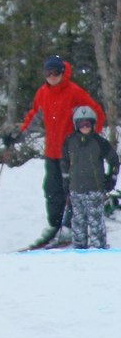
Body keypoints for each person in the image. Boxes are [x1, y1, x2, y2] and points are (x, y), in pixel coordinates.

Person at [6, 54, 105, 244]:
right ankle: (54, 224)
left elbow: (95, 113)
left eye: (56, 72)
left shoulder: (74, 92)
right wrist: (18, 135)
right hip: (52, 152)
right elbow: (34, 116)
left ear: (62, 72)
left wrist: (91, 138)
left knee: (73, 191)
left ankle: (69, 226)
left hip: (73, 153)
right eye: (48, 72)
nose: (52, 76)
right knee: (51, 189)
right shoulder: (43, 93)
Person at [60, 106, 118, 250]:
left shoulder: (99, 142)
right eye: (81, 124)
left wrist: (111, 178)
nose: (84, 127)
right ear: (76, 125)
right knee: (78, 221)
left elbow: (114, 160)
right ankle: (79, 248)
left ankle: (99, 247)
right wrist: (66, 180)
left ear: (93, 125)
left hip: (94, 189)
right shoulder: (69, 142)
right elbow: (64, 162)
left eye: (88, 124)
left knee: (95, 221)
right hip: (76, 189)